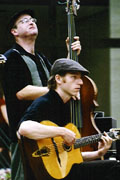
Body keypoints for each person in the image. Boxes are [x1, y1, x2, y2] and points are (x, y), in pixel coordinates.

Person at [2, 9, 81, 180]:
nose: (31, 22)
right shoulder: (11, 57)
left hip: (50, 135)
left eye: (32, 19)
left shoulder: (41, 57)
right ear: (14, 32)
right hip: (25, 136)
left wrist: (71, 55)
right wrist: (57, 92)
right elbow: (21, 92)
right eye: (24, 21)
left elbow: (59, 81)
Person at [18, 58, 120, 180]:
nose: (81, 82)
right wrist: (63, 131)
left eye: (80, 78)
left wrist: (98, 153)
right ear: (58, 79)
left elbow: (69, 155)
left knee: (105, 166)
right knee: (111, 167)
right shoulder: (45, 102)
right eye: (74, 77)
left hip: (60, 171)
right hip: (45, 174)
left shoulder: (65, 106)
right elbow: (23, 128)